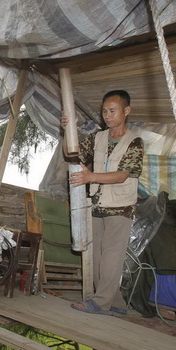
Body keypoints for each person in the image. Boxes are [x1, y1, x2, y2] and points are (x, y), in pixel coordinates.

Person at [62, 90, 144, 315]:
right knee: (97, 258)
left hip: (121, 208)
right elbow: (73, 156)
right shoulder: (98, 137)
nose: (107, 115)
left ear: (126, 111)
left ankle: (99, 302)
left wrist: (90, 177)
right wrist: (67, 130)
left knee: (111, 258)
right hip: (97, 205)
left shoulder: (134, 142)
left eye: (112, 111)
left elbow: (122, 175)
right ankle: (115, 303)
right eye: (104, 111)